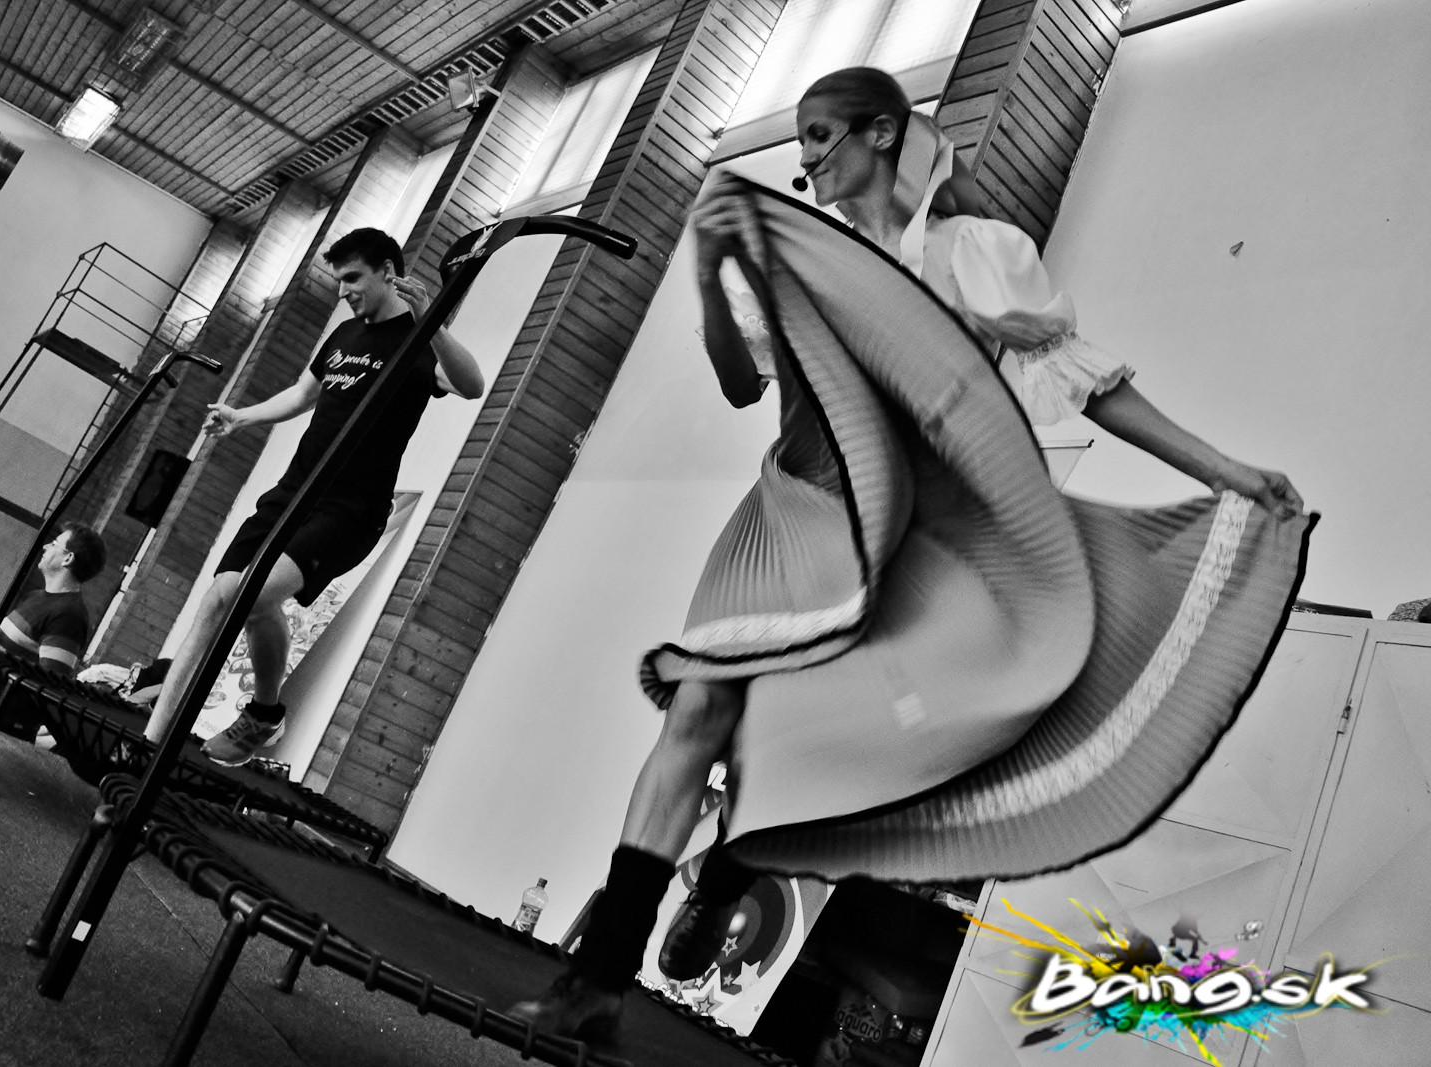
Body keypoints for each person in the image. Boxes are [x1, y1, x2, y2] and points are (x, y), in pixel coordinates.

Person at [511, 66, 1309, 1038]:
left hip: (914, 532)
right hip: (793, 505)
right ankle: (598, 974)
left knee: (843, 749)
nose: (805, 158)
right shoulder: (803, 257)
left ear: (882, 134)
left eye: (820, 135)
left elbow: (1089, 383)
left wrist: (1225, 468)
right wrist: (715, 280)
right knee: (701, 705)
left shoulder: (977, 253)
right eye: (800, 141)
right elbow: (738, 384)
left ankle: (728, 869)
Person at [141, 228, 483, 765]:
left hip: (351, 510)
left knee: (250, 595)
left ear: (388, 272)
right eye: (338, 280)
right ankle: (153, 744)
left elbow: (471, 385)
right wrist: (241, 416)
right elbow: (304, 394)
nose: (343, 291)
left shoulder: (419, 340)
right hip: (293, 492)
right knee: (218, 599)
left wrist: (431, 322)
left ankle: (260, 715)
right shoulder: (345, 334)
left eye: (353, 278)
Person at [0, 522, 107, 739]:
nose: (46, 546)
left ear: (68, 558)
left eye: (54, 544)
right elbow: (12, 654)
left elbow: (46, 685)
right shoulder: (36, 597)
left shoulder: (69, 615)